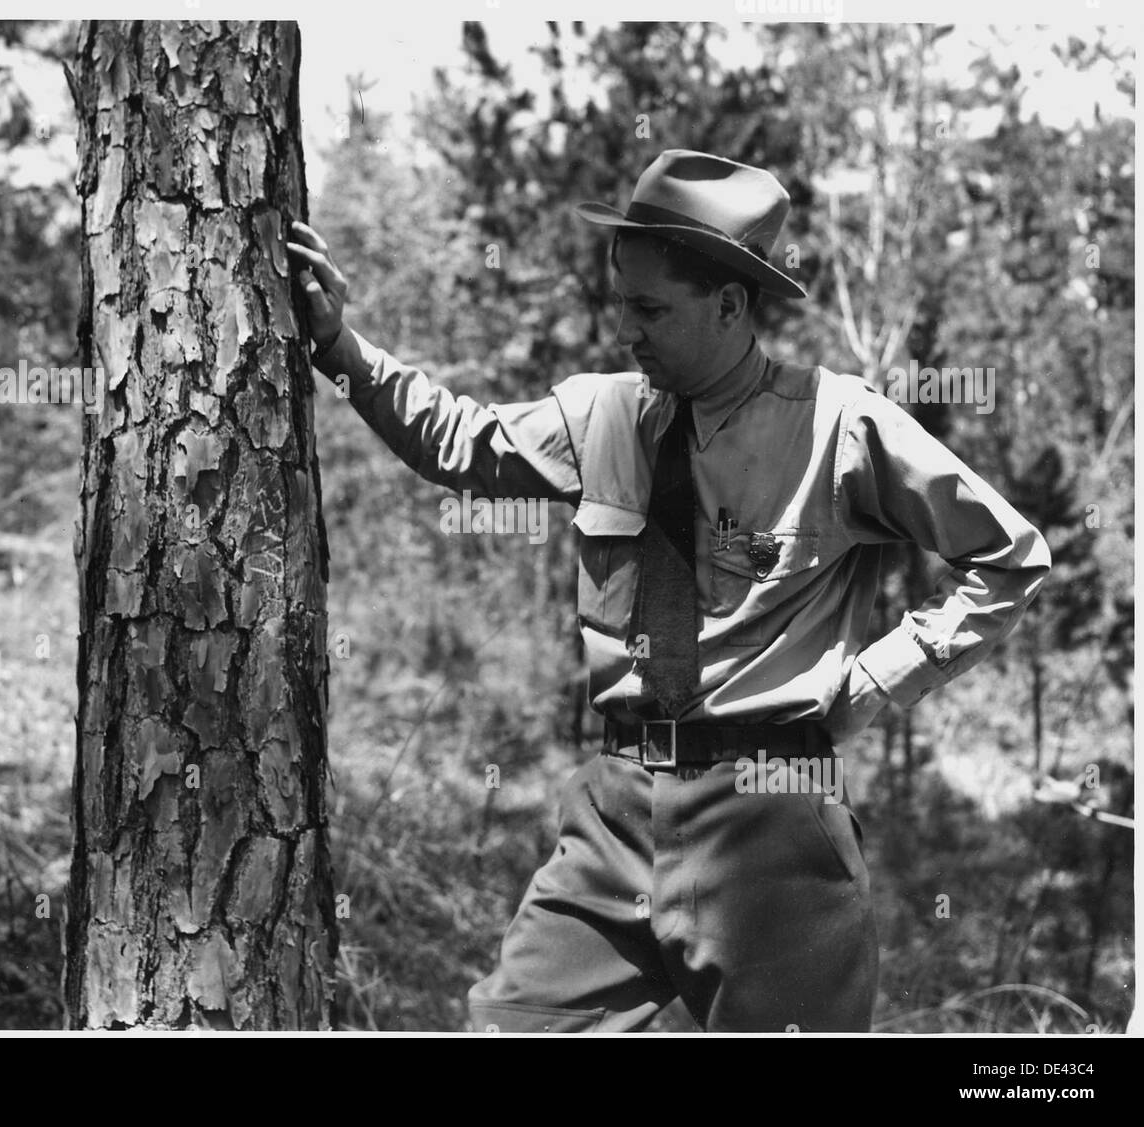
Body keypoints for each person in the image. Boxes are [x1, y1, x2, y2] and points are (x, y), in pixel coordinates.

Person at [286, 149, 1051, 1033]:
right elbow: (456, 444)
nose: (625, 330)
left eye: (650, 309)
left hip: (771, 821)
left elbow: (1009, 557)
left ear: (730, 305)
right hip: (613, 812)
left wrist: (872, 684)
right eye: (621, 302)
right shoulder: (603, 414)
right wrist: (334, 347)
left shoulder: (840, 425)